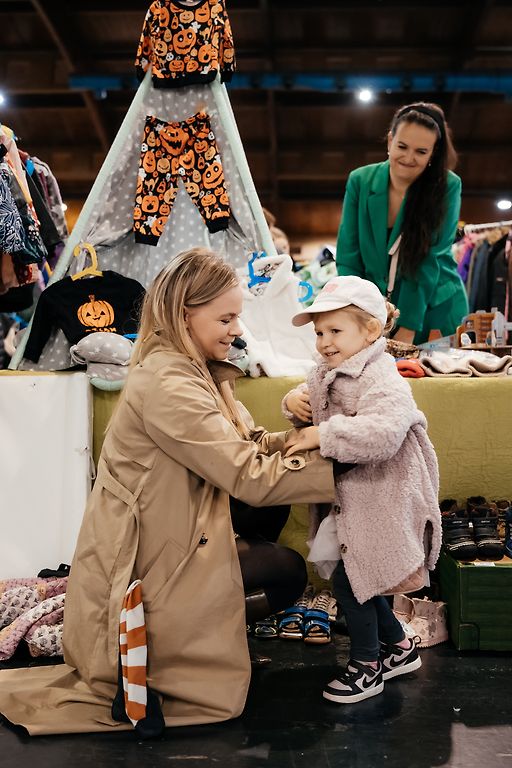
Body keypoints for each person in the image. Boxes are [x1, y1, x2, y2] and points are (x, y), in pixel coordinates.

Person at [0, 248, 337, 737]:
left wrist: (314, 439)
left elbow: (246, 443)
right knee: (283, 569)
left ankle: (199, 635)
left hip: (167, 536)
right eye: (226, 318)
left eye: (236, 317)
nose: (237, 329)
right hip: (143, 558)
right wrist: (342, 461)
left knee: (279, 556)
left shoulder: (195, 369)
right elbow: (249, 475)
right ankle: (166, 653)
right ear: (184, 314)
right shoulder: (168, 381)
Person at [282, 275, 442, 704]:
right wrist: (293, 402)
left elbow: (383, 433)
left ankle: (367, 666)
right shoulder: (328, 371)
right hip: (351, 499)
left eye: (335, 331)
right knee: (360, 578)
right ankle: (400, 647)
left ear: (370, 331)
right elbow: (314, 396)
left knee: (353, 584)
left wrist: (322, 435)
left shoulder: (382, 377)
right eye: (319, 333)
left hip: (380, 497)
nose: (324, 342)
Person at [336, 101, 468, 345]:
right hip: (376, 313)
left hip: (433, 309)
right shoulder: (360, 181)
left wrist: (408, 326)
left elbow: (429, 259)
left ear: (433, 153)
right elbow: (348, 257)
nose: (408, 158)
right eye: (402, 146)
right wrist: (359, 314)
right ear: (390, 141)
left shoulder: (447, 186)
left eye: (421, 151)